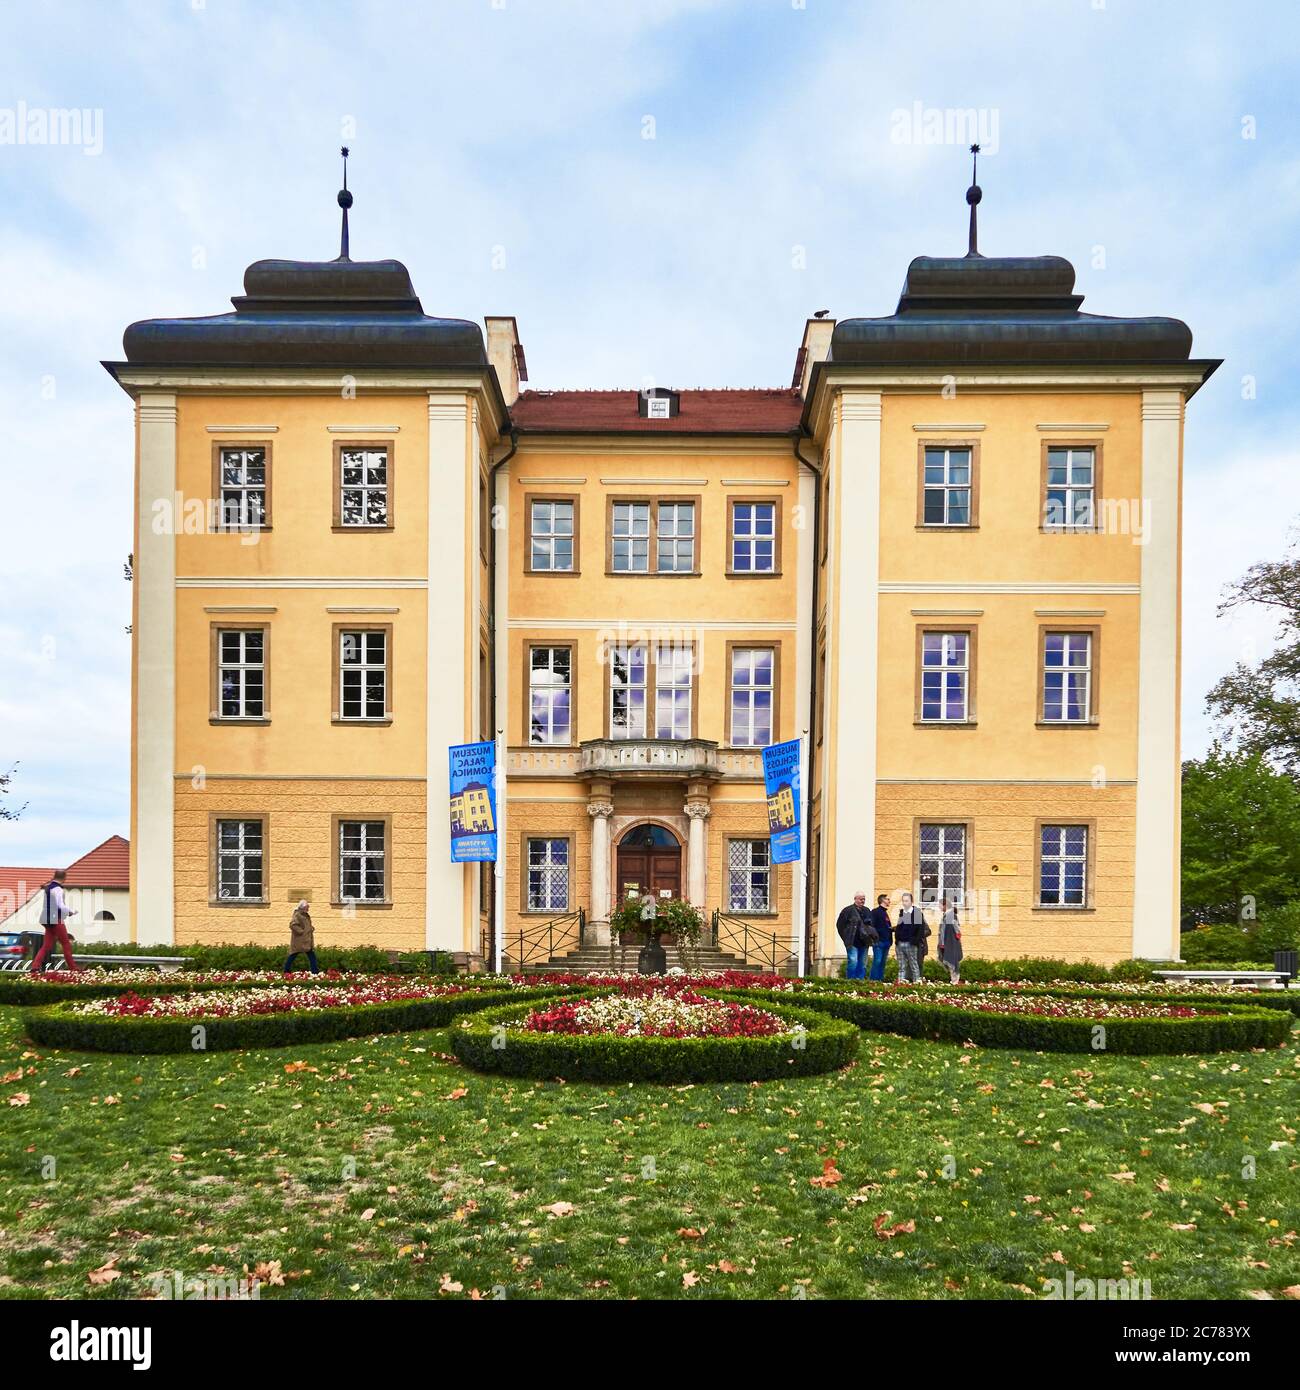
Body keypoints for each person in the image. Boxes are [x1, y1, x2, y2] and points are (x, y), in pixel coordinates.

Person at [30, 870, 79, 973]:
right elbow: (60, 905)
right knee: (66, 943)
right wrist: (72, 911)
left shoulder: (48, 888)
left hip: (45, 919)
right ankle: (73, 968)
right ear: (64, 878)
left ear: (54, 876)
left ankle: (35, 967)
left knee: (46, 945)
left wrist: (66, 913)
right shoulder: (58, 889)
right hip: (55, 919)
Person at [835, 892, 875, 981]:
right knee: (853, 961)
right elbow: (840, 925)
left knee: (863, 963)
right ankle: (850, 980)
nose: (863, 901)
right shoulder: (847, 910)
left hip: (864, 942)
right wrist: (846, 937)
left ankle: (860, 981)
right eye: (861, 899)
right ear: (855, 899)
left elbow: (871, 925)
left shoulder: (867, 910)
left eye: (864, 899)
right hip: (852, 941)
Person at [894, 892, 928, 984]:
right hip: (900, 944)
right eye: (903, 901)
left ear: (911, 902)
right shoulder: (902, 913)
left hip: (911, 943)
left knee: (914, 965)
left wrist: (915, 941)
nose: (905, 903)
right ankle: (901, 984)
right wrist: (897, 940)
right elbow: (899, 927)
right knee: (902, 966)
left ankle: (916, 983)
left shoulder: (917, 913)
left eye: (907, 901)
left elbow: (920, 929)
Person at [283, 900, 320, 975]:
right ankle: (286, 970)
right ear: (303, 907)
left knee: (310, 955)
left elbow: (305, 925)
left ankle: (315, 971)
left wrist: (310, 928)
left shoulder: (304, 914)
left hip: (306, 939)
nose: (308, 909)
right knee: (293, 954)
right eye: (307, 907)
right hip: (300, 940)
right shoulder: (297, 914)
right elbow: (293, 925)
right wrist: (301, 932)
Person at [937, 896, 964, 984]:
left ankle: (955, 981)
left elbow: (955, 928)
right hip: (947, 941)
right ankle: (953, 980)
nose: (939, 907)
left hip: (951, 942)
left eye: (940, 905)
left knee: (952, 960)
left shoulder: (950, 915)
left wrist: (956, 936)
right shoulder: (947, 915)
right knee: (948, 960)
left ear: (945, 905)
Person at [868, 893, 892, 981]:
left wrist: (891, 929)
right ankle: (873, 981)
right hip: (879, 941)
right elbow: (871, 926)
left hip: (886, 941)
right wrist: (875, 937)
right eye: (887, 899)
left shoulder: (885, 913)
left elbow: (885, 926)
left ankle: (880, 980)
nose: (889, 901)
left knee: (882, 962)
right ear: (882, 900)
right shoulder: (875, 912)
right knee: (877, 961)